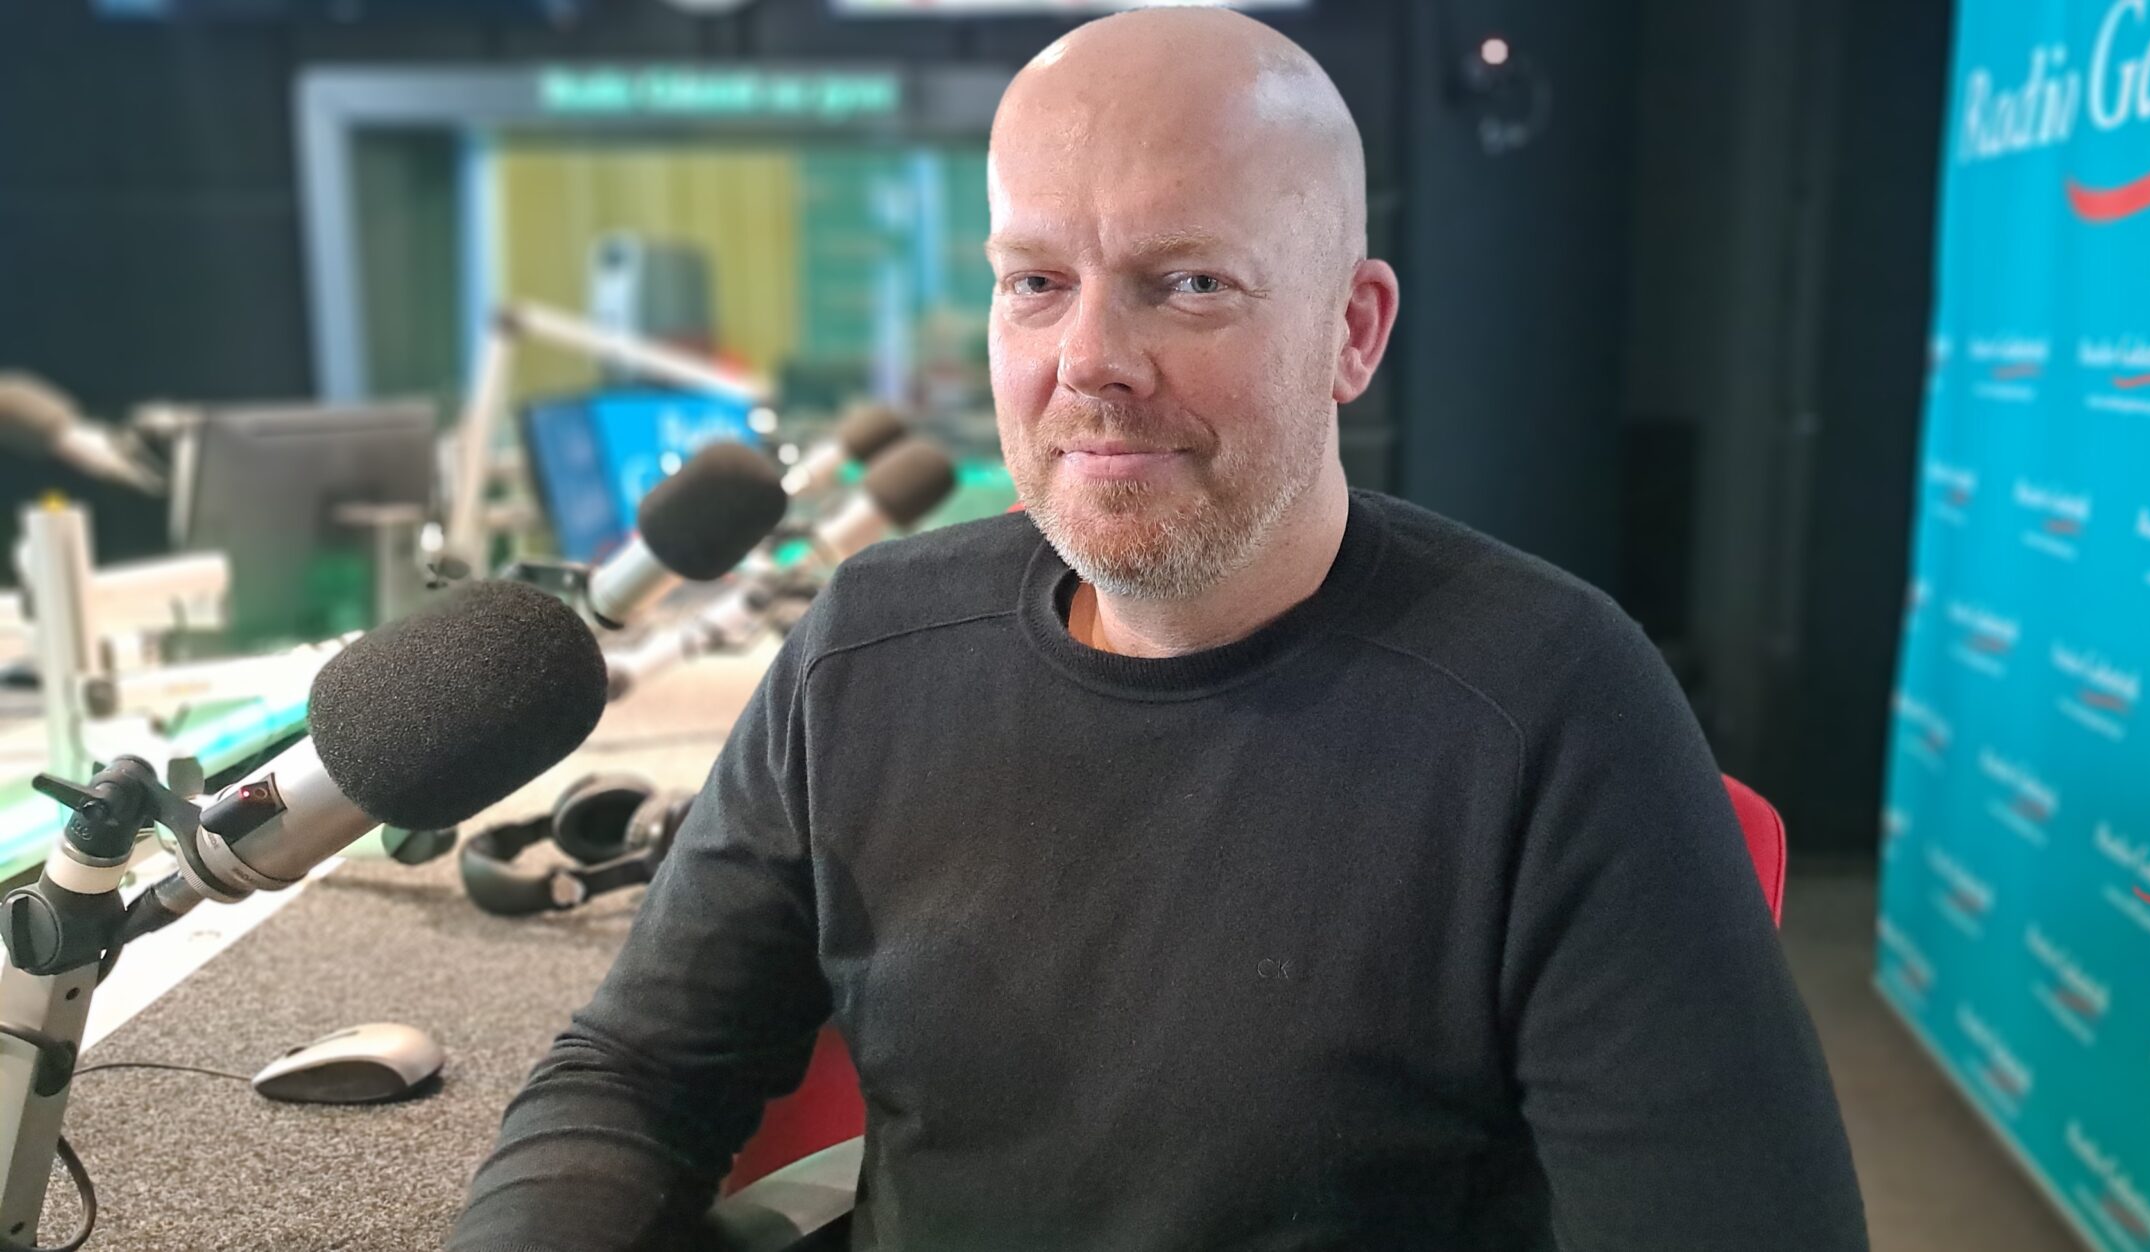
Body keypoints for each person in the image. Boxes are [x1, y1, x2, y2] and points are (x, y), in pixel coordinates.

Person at [447, 10, 1865, 1251]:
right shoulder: (865, 646)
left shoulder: (1554, 705)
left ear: (1353, 332)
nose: (1089, 362)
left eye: (1189, 283)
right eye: (1035, 281)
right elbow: (638, 1077)